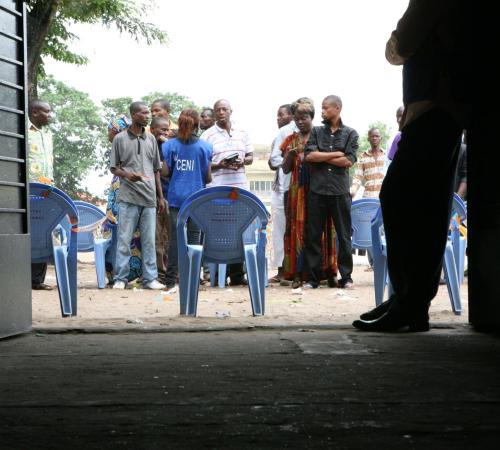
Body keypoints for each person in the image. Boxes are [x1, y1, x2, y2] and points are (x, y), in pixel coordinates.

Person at [353, 0, 470, 332]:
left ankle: (411, 302)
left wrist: (396, 39)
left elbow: (398, 47)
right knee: (426, 209)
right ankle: (409, 300)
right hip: (444, 110)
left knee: (401, 199)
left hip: (432, 109)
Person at [280, 100, 337, 289]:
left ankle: (326, 272)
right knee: (299, 230)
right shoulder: (290, 140)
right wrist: (290, 155)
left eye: (304, 118)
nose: (300, 122)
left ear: (311, 117)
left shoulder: (322, 136)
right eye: (297, 119)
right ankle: (299, 273)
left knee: (321, 229)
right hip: (298, 192)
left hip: (320, 189)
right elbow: (286, 170)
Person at [304, 95, 358, 290]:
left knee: (344, 235)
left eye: (326, 108)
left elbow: (348, 161)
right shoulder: (317, 131)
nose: (323, 111)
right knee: (313, 235)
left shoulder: (351, 133)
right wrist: (336, 153)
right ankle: (313, 279)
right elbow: (309, 155)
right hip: (317, 190)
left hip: (339, 191)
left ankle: (347, 277)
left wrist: (322, 156)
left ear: (337, 108)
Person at [109, 101, 165, 290]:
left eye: (148, 113)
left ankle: (150, 279)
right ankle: (120, 278)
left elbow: (157, 169)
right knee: (124, 240)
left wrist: (160, 196)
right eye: (143, 113)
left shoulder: (151, 140)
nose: (147, 116)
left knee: (149, 240)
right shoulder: (120, 139)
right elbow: (113, 168)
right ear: (133, 115)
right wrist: (128, 175)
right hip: (128, 197)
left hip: (149, 197)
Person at [200, 99, 253, 285]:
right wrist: (220, 165)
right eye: (218, 110)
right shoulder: (207, 136)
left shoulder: (243, 133)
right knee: (218, 232)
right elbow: (204, 164)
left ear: (231, 111)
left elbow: (250, 156)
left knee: (238, 231)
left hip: (239, 189)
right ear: (214, 114)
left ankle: (237, 275)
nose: (221, 112)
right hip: (217, 191)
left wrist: (242, 161)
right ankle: (215, 276)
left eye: (224, 109)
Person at [163, 109, 213, 289]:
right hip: (197, 199)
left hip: (176, 198)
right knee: (194, 240)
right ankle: (193, 279)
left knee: (175, 240)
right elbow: (208, 178)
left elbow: (166, 172)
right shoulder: (205, 147)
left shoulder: (169, 146)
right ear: (197, 125)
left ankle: (170, 280)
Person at [103, 115, 144, 284]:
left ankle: (119, 275)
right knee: (128, 233)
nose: (108, 134)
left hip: (122, 193)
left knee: (119, 233)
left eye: (109, 130)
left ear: (114, 130)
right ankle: (128, 274)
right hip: (127, 193)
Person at [28, 100, 54, 290]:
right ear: (35, 112)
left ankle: (37, 280)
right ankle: (21, 277)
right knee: (27, 232)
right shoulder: (23, 131)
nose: (50, 115)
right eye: (47, 112)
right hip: (28, 190)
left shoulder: (47, 133)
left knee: (42, 234)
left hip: (46, 191)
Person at [267, 104, 293, 283]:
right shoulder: (282, 135)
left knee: (291, 230)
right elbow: (272, 162)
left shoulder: (291, 132)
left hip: (293, 187)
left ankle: (290, 270)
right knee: (280, 230)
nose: (278, 118)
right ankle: (282, 270)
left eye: (281, 115)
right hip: (280, 187)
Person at [149, 116, 172, 285]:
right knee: (157, 237)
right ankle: (159, 274)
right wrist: (159, 197)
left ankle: (170, 273)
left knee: (169, 237)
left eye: (167, 130)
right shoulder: (149, 146)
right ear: (152, 129)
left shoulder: (171, 148)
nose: (164, 132)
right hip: (154, 197)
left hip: (170, 197)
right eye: (161, 129)